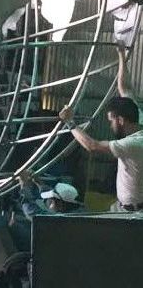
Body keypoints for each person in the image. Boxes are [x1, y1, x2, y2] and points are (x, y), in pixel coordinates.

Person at [58, 44, 143, 212]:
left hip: (135, 212)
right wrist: (121, 55)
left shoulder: (134, 144)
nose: (110, 125)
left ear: (121, 120)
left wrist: (70, 123)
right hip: (121, 207)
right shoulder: (137, 117)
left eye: (111, 121)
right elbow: (125, 88)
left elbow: (92, 146)